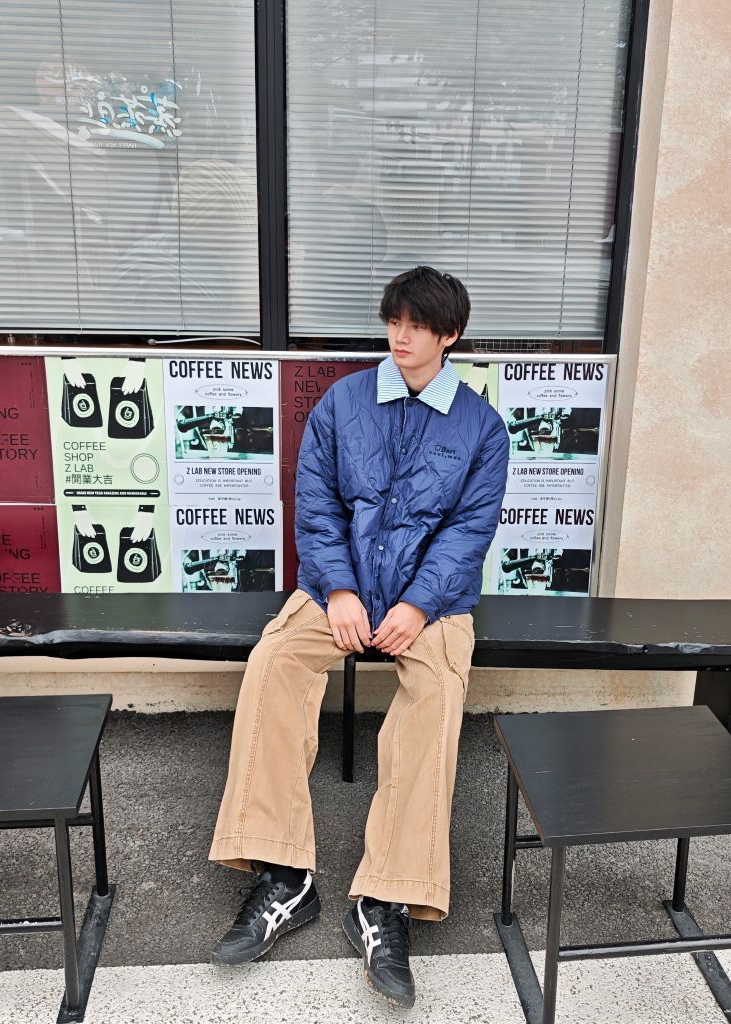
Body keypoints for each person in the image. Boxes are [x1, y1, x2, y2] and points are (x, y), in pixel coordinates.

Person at [208, 265, 510, 1008]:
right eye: (393, 321)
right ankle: (284, 875)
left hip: (431, 604)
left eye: (418, 325)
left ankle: (387, 898)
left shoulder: (482, 427)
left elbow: (468, 530)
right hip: (335, 590)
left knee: (437, 698)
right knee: (274, 662)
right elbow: (315, 504)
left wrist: (418, 604)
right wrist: (339, 588)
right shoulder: (344, 403)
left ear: (451, 335)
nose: (401, 336)